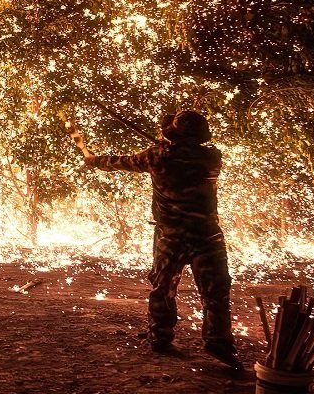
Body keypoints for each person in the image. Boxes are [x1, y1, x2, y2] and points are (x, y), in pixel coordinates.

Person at [68, 109, 243, 371]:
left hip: (170, 235)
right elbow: (188, 155)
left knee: (163, 287)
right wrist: (166, 145)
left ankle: (160, 335)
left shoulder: (157, 156)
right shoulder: (211, 157)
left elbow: (117, 162)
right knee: (215, 291)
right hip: (206, 235)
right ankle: (218, 341)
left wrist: (91, 158)